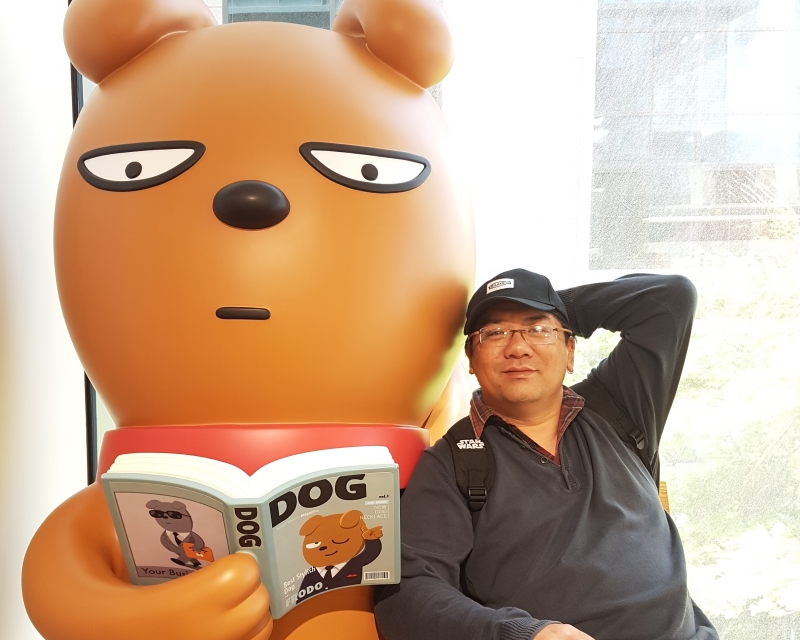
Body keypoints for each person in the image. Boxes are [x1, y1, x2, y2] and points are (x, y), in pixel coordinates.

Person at [373, 269, 718, 640]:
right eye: (495, 332)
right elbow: (404, 596)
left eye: (538, 330)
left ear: (570, 351)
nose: (518, 347)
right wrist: (524, 633)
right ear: (470, 359)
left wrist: (552, 303)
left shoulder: (620, 407)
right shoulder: (454, 462)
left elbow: (670, 298)